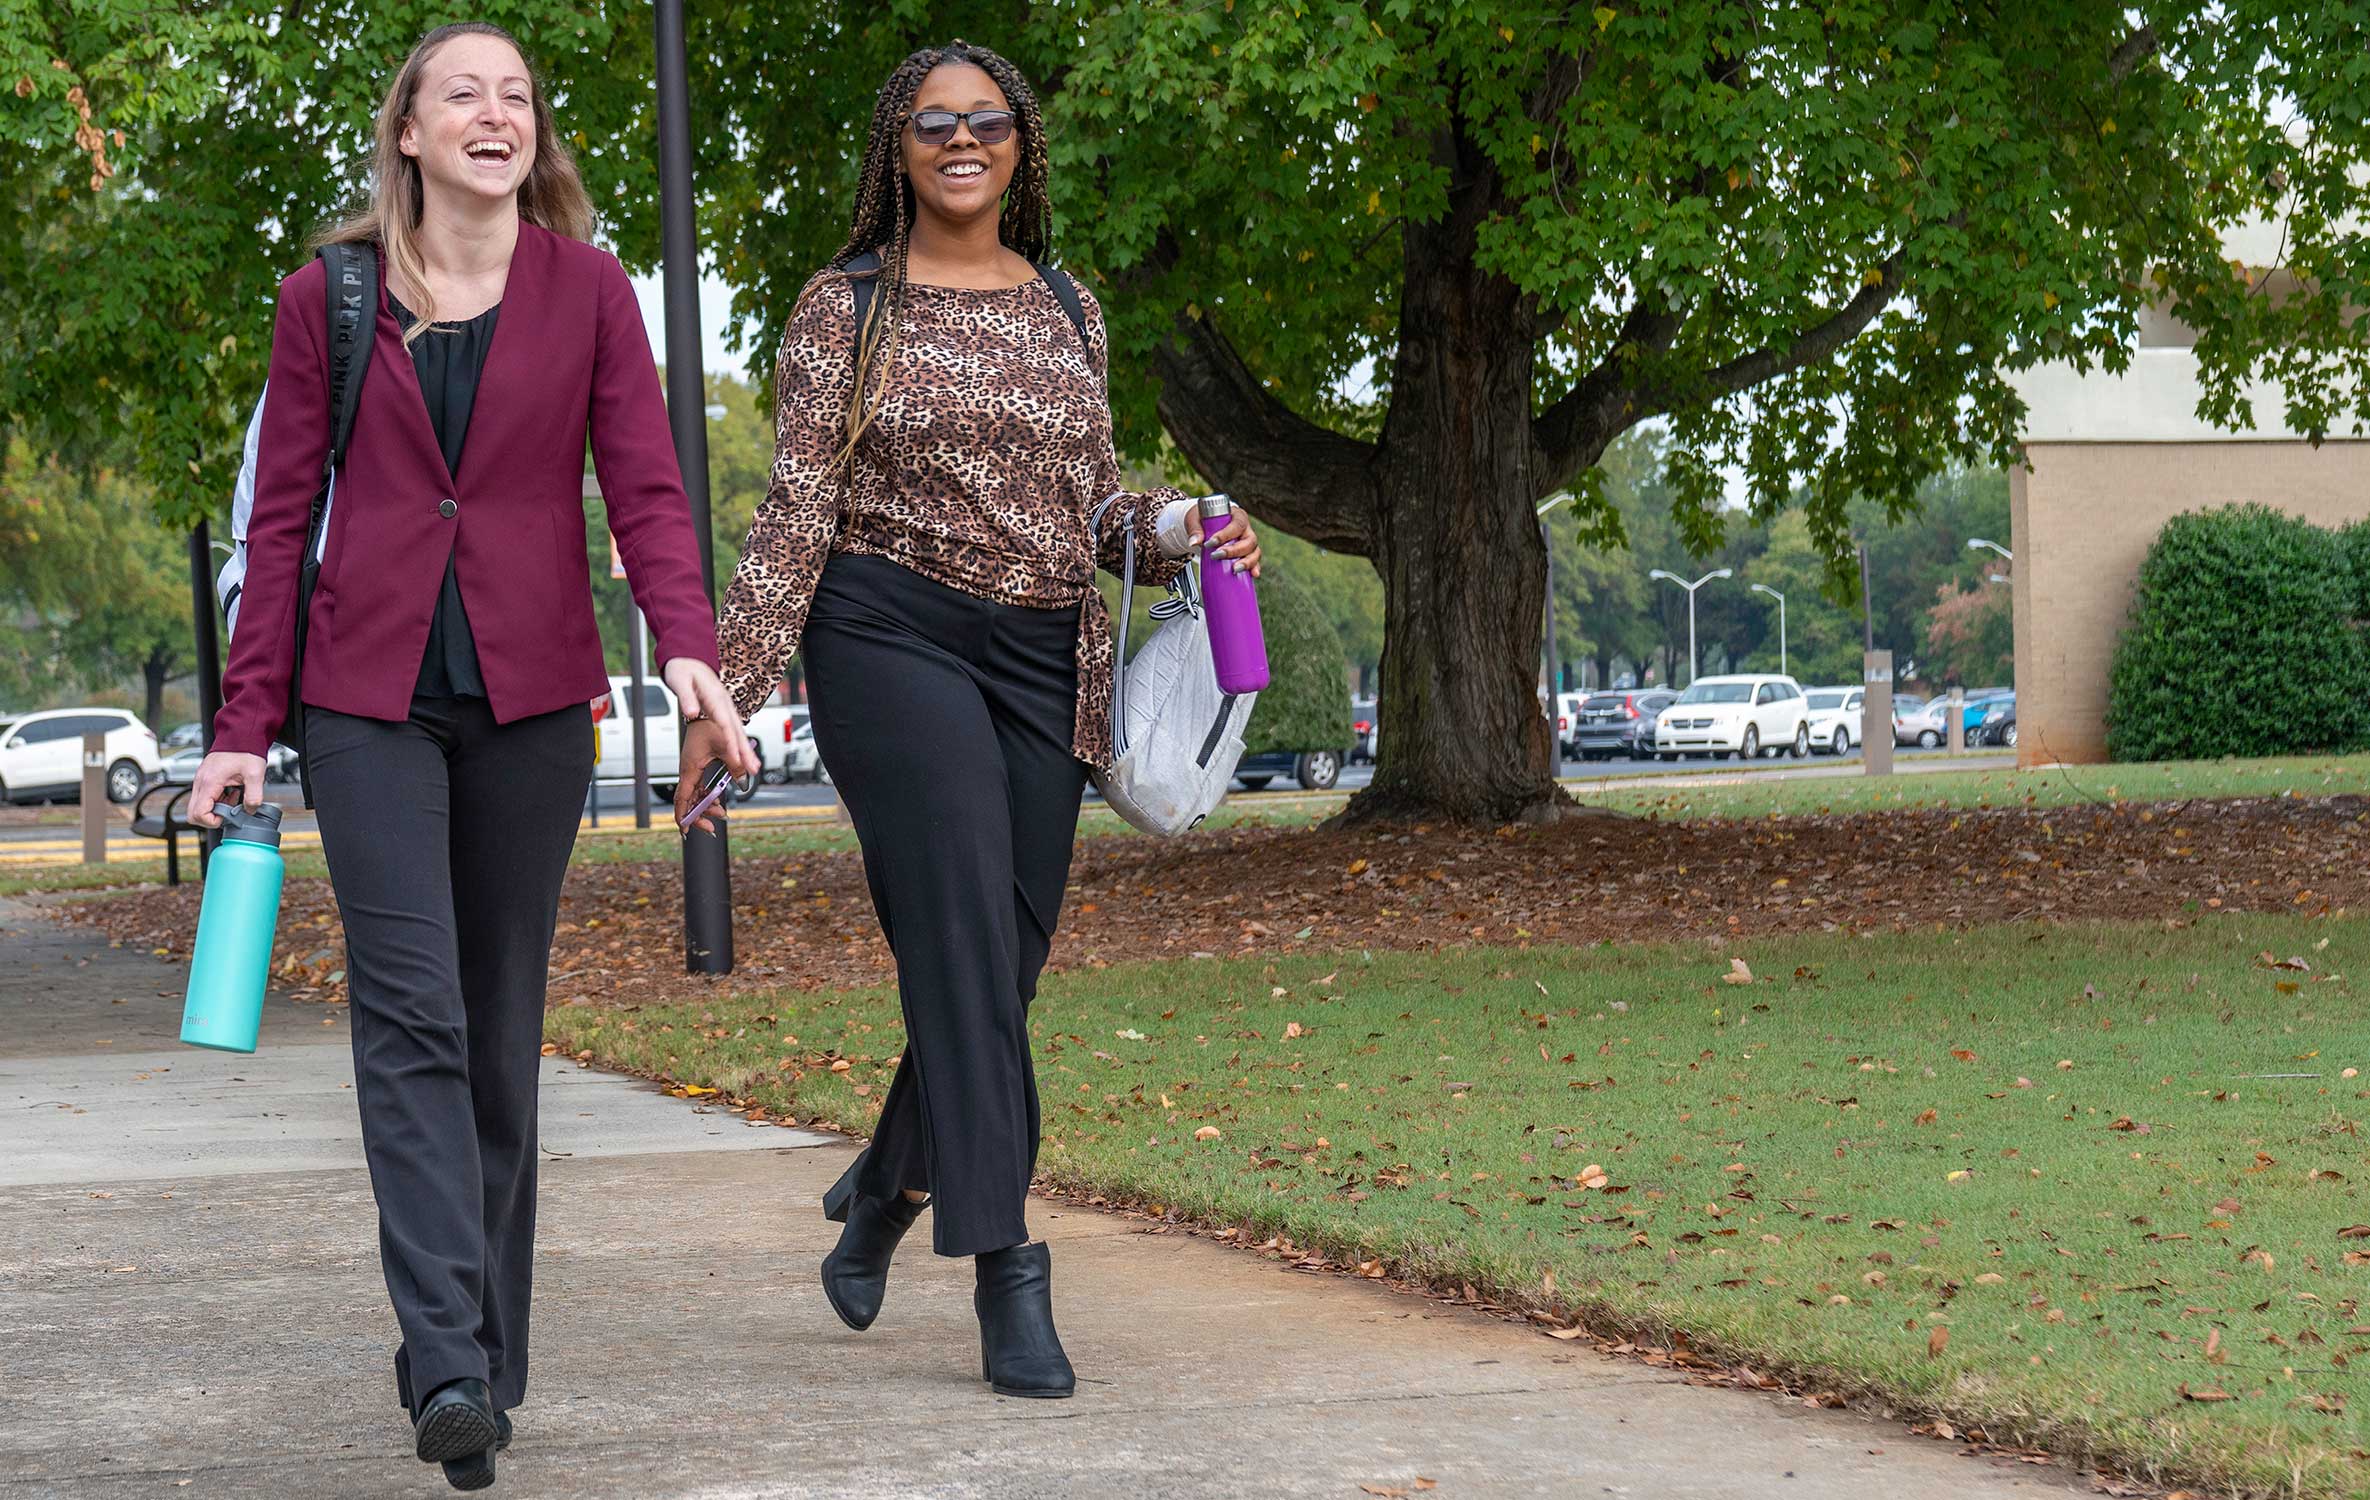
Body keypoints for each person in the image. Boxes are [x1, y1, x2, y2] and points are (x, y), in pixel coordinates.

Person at [191, 22, 756, 1490]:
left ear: (533, 138)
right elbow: (278, 516)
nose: (494, 113)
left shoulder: (588, 294)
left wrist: (689, 650)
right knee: (413, 1019)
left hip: (529, 703)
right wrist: (243, 726)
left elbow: (644, 486)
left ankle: (484, 1351)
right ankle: (442, 1358)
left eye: (516, 96)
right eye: (464, 93)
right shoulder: (329, 296)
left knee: (500, 1032)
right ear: (409, 134)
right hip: (364, 696)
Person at [685, 39, 1260, 1400]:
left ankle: (887, 1189)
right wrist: (733, 684)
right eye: (932, 123)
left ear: (1020, 145)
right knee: (952, 932)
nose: (960, 142)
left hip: (1042, 648)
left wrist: (1179, 526)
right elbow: (799, 503)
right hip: (887, 633)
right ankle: (1008, 1272)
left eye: (985, 123)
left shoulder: (1068, 302)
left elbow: (1095, 505)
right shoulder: (847, 305)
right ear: (896, 145)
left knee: (998, 965)